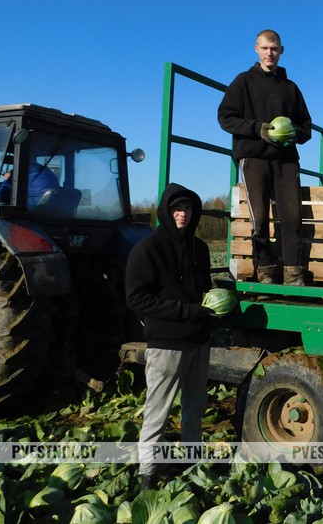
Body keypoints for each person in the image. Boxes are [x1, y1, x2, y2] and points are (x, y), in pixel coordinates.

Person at [125, 183, 214, 489]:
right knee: (158, 412)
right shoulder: (147, 250)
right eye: (177, 209)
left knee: (194, 411)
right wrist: (188, 311)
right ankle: (148, 473)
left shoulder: (200, 249)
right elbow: (137, 299)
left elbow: (204, 289)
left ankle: (192, 465)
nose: (182, 214)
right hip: (166, 346)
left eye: (187, 209)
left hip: (199, 342)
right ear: (165, 211)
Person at [218, 29, 313, 286]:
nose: (269, 53)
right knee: (259, 219)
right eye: (265, 48)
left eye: (274, 48)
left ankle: (293, 273)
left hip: (286, 160)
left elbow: (306, 127)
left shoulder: (291, 88)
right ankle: (265, 272)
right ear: (256, 50)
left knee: (292, 217)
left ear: (281, 51)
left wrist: (294, 134)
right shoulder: (243, 82)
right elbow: (226, 118)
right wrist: (257, 128)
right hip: (254, 157)